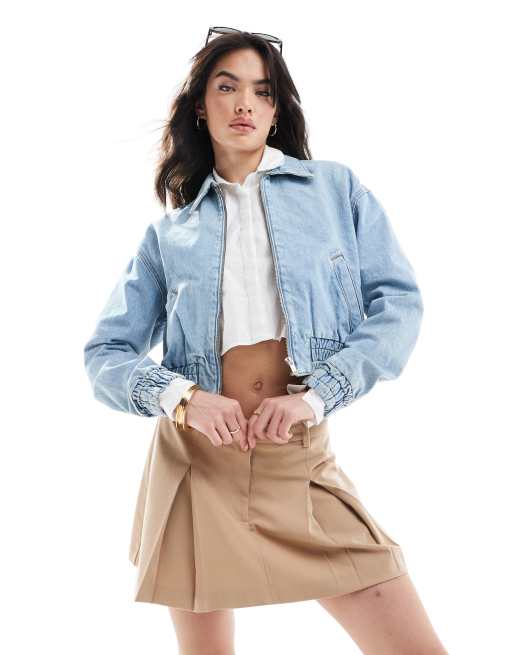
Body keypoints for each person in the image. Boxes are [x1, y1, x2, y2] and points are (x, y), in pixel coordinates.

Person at [83, 27, 449, 655]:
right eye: (227, 88)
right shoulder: (171, 233)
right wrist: (183, 398)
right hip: (195, 464)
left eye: (262, 91)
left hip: (296, 457)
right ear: (202, 107)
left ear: (277, 110)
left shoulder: (335, 190)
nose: (245, 104)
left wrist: (317, 396)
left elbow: (400, 305)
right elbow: (105, 355)